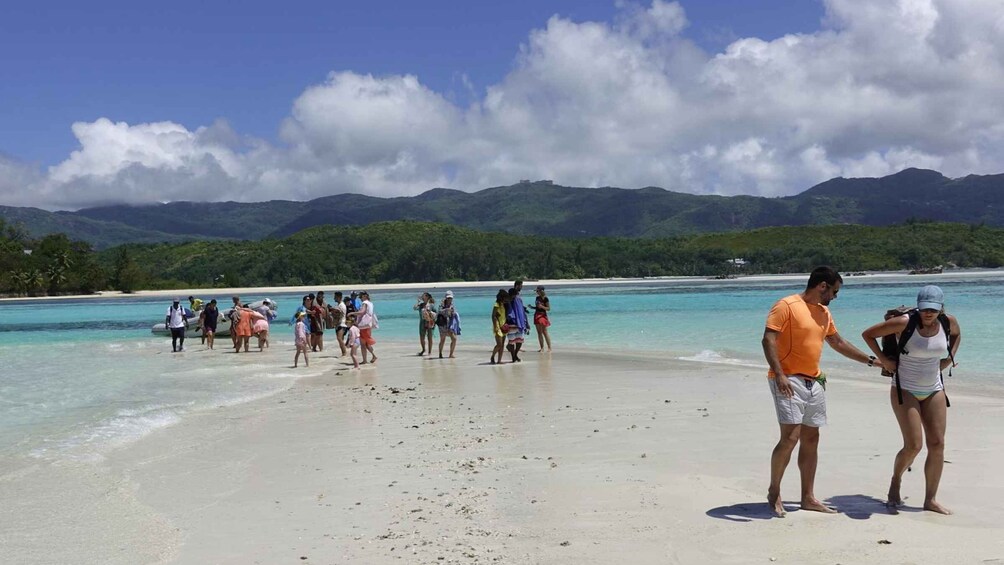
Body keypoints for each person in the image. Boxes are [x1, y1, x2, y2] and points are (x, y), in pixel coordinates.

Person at [761, 266, 877, 517]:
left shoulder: (824, 312)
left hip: (815, 381)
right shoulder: (786, 305)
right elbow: (768, 339)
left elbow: (837, 342)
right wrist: (780, 373)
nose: (835, 296)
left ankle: (808, 497)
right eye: (834, 291)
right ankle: (774, 491)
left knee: (812, 439)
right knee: (790, 438)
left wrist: (871, 361)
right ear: (822, 286)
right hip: (787, 379)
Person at [861, 285, 961, 515]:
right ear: (919, 306)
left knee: (937, 444)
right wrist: (884, 360)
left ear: (941, 308)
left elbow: (957, 335)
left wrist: (948, 359)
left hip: (934, 388)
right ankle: (896, 480)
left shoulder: (948, 322)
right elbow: (868, 334)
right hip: (905, 389)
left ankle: (930, 499)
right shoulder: (903, 323)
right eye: (925, 308)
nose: (928, 313)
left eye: (933, 310)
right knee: (914, 445)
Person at [352, 291, 378, 364]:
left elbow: (362, 312)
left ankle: (367, 359)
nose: (360, 298)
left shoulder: (365, 303)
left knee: (364, 343)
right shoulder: (370, 303)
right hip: (368, 324)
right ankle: (369, 358)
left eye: (361, 296)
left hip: (363, 325)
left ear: (365, 296)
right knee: (365, 343)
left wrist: (352, 313)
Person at [505, 285, 529, 362]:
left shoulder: (519, 300)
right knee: (511, 341)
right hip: (510, 323)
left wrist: (527, 323)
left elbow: (522, 311)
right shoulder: (506, 302)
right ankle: (513, 356)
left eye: (515, 295)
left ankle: (515, 354)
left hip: (520, 323)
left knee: (520, 340)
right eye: (513, 295)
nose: (514, 297)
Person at [437, 291, 460, 358]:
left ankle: (451, 354)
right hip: (442, 324)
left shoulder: (452, 305)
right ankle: (440, 353)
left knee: (454, 339)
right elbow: (439, 312)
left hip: (450, 325)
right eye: (448, 298)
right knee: (442, 339)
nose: (449, 299)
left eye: (450, 298)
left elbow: (452, 314)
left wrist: (453, 312)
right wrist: (447, 309)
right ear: (446, 298)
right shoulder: (441, 304)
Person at [490, 289, 509, 364]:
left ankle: (499, 360)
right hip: (497, 326)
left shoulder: (503, 304)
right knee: (499, 344)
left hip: (503, 325)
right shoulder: (497, 304)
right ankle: (492, 356)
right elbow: (493, 316)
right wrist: (495, 326)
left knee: (502, 344)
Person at [533, 285, 552, 352]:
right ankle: (542, 348)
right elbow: (537, 307)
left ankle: (549, 348)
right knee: (539, 332)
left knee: (545, 332)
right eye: (536, 291)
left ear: (541, 291)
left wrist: (542, 306)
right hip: (536, 315)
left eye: (538, 291)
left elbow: (548, 308)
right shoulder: (537, 298)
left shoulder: (545, 298)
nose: (537, 292)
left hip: (543, 315)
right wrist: (532, 307)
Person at [333, 291, 348, 357]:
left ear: (339, 297)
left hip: (342, 324)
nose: (334, 298)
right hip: (338, 324)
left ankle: (345, 352)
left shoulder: (342, 305)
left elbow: (341, 314)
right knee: (340, 339)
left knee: (339, 338)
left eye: (335, 297)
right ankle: (343, 353)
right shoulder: (338, 305)